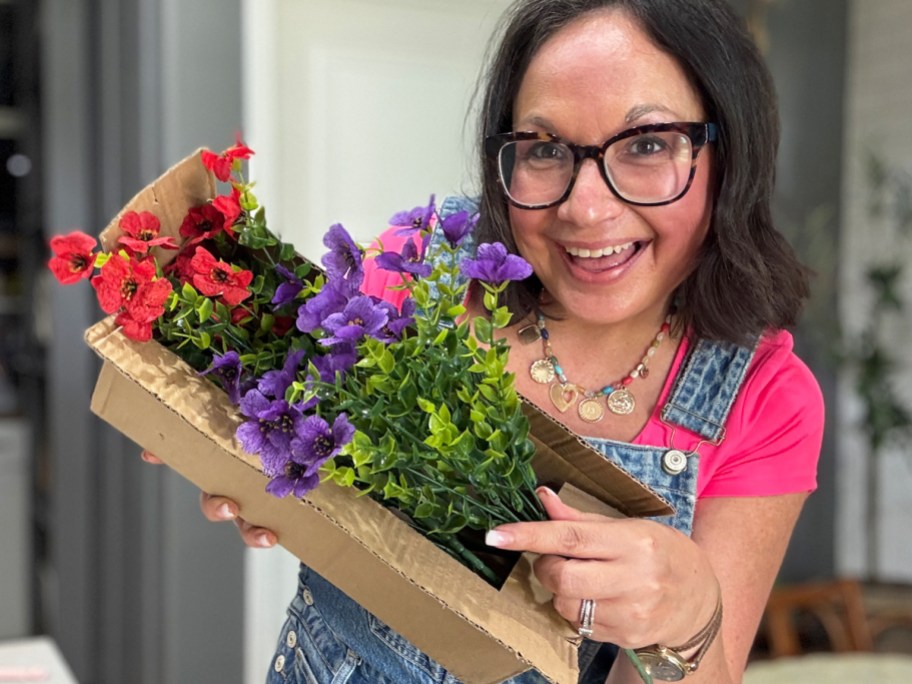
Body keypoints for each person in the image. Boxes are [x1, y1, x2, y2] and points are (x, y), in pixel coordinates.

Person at [146, 0, 824, 681]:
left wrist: (688, 623)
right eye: (545, 149)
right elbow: (287, 424)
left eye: (647, 144)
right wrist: (243, 464)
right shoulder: (415, 272)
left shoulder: (766, 399)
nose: (585, 208)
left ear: (728, 152)